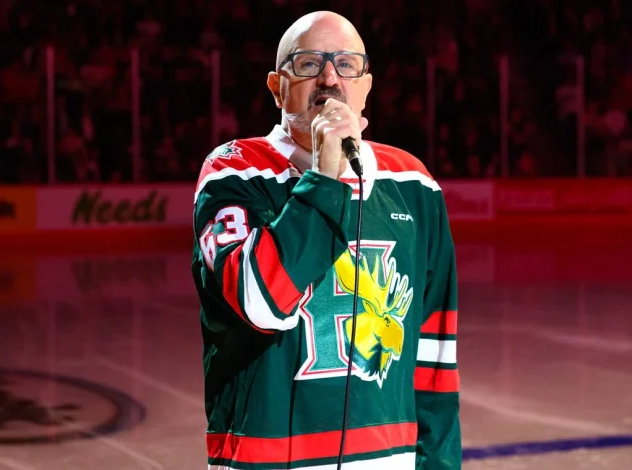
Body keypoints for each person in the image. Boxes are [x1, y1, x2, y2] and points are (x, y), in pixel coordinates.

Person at [191, 11, 461, 470]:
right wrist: (323, 176)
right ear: (277, 87)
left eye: (346, 65)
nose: (330, 78)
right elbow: (260, 302)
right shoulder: (235, 171)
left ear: (366, 87)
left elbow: (435, 351)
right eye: (309, 63)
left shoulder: (413, 182)